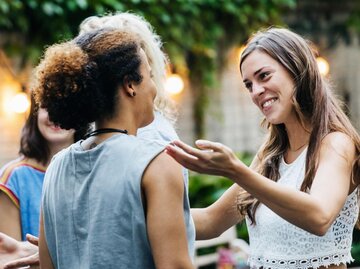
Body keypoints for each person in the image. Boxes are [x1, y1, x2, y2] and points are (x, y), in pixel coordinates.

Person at [0, 12, 195, 269]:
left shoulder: (57, 167)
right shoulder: (156, 163)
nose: (155, 88)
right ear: (130, 85)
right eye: (149, 75)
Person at [166, 27, 360, 269]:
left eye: (264, 76)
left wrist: (236, 171)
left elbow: (319, 217)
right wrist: (139, 212)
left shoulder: (336, 144)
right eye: (248, 85)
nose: (256, 91)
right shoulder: (269, 158)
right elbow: (210, 221)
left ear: (297, 70)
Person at [0, 93, 87, 242]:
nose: (55, 114)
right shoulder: (13, 178)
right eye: (47, 105)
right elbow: (10, 258)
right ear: (35, 113)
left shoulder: (92, 172)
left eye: (66, 105)